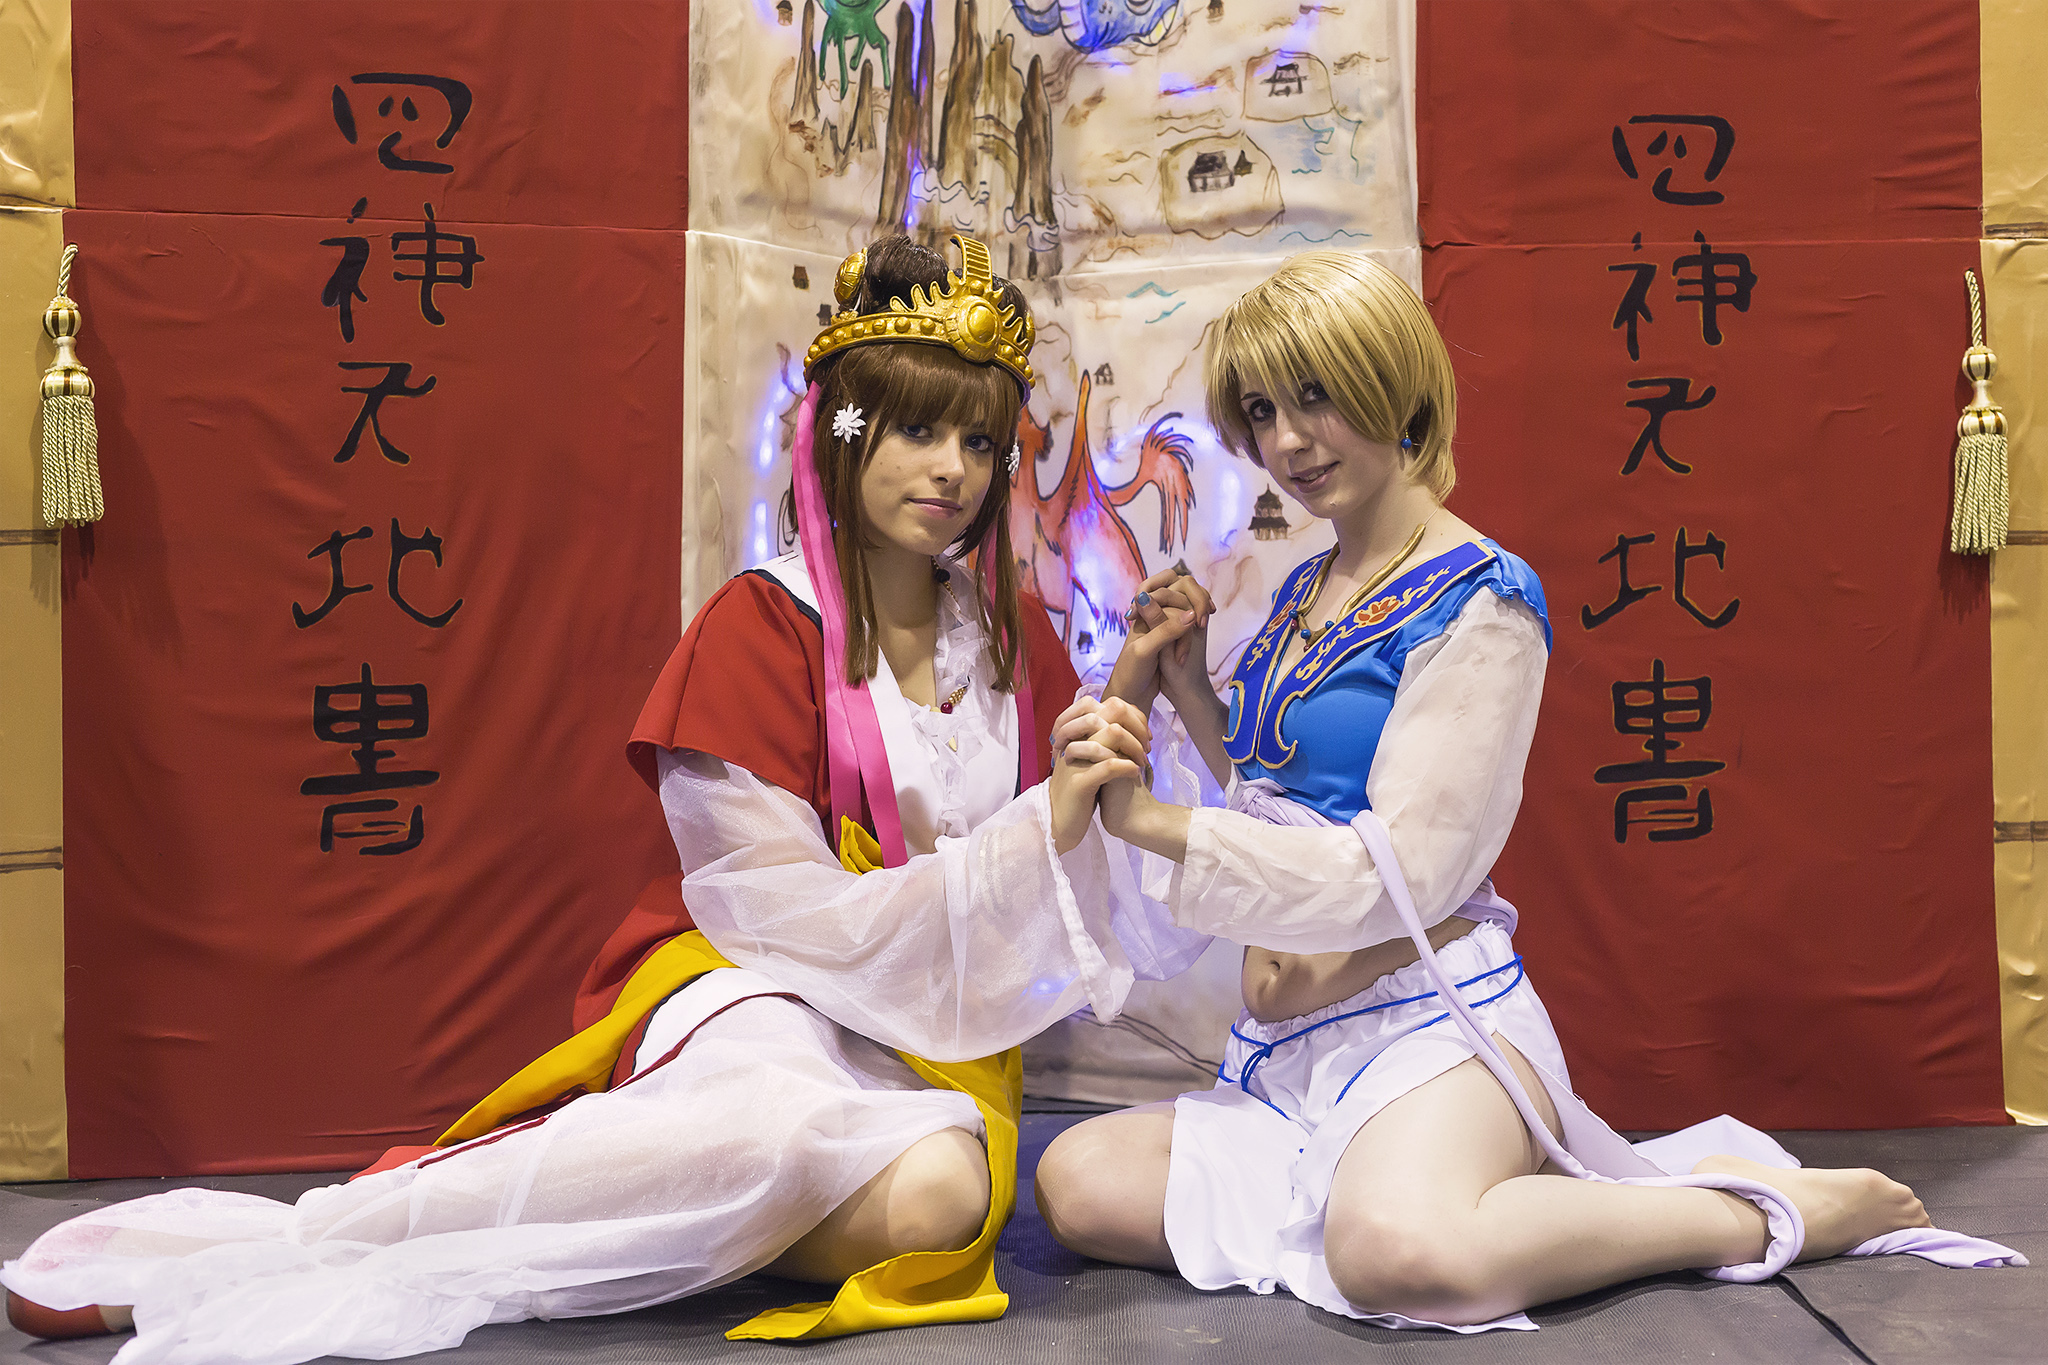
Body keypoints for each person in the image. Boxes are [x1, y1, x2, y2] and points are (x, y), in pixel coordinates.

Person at [2, 233, 1208, 1361]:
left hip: (938, 1026)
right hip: (764, 986)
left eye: (981, 444)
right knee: (774, 1118)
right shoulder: (761, 621)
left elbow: (1093, 883)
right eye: (915, 430)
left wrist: (1133, 707)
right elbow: (774, 913)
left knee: (938, 1199)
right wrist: (1035, 828)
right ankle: (326, 1239)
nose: (952, 470)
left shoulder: (1011, 637)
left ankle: (652, 1219)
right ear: (843, 431)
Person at [1031, 250, 2022, 1332]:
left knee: (1396, 1253)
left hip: (1427, 1024)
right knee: (1079, 1182)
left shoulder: (1481, 602)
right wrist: (1190, 691)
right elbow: (1276, 801)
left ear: (1394, 384)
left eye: (1315, 395)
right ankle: (1426, 1190)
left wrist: (1157, 823)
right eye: (1263, 411)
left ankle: (1744, 1212)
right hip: (1282, 1052)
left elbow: (1399, 874)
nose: (1288, 441)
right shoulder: (1308, 585)